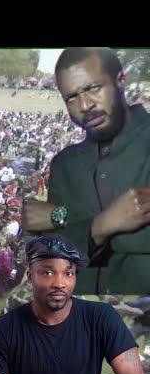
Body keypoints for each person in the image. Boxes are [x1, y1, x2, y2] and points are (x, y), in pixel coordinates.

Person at [22, 47, 150, 294]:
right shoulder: (65, 164)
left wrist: (61, 217)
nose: (85, 105)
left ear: (120, 81)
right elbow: (56, 256)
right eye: (71, 97)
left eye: (93, 88)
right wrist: (101, 225)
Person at [0, 234, 149, 374]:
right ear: (30, 276)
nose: (59, 283)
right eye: (48, 272)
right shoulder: (3, 331)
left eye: (68, 273)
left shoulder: (102, 318)